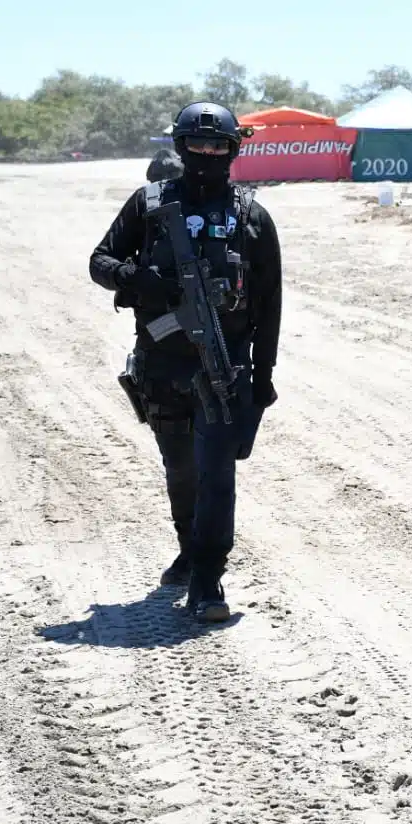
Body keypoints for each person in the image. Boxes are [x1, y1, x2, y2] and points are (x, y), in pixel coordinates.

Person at [88, 101, 282, 622]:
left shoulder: (252, 217)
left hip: (223, 368)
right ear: (180, 146)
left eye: (217, 146)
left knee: (218, 474)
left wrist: (263, 377)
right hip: (162, 364)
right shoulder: (149, 205)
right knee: (181, 469)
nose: (206, 153)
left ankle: (207, 578)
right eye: (196, 145)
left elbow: (269, 304)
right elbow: (100, 261)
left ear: (232, 150)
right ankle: (187, 547)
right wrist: (138, 280)